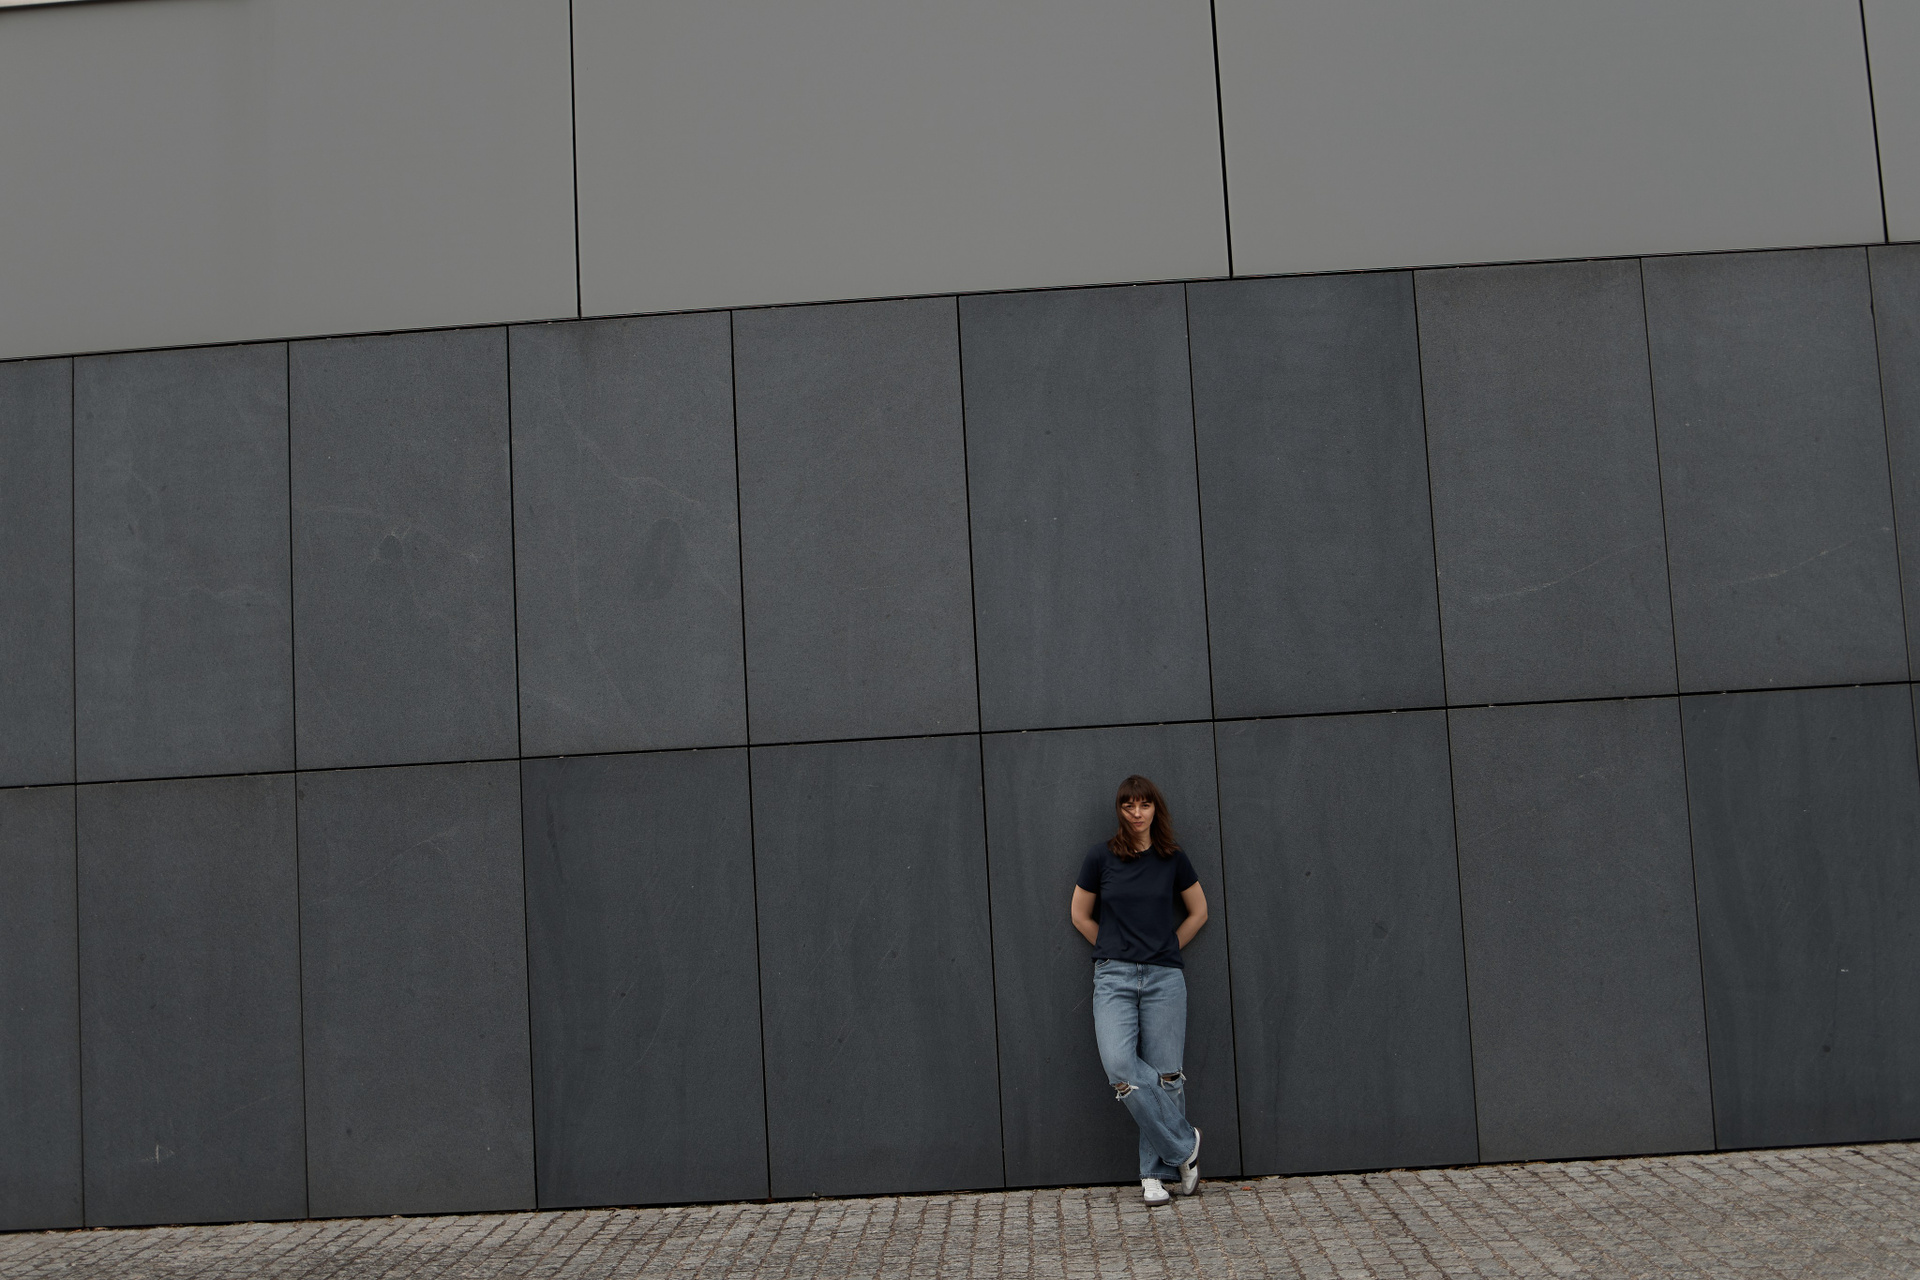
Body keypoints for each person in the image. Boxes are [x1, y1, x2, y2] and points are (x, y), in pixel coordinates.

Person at [1070, 774, 1208, 1207]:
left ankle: (1153, 1176)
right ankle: (1184, 1146)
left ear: (1154, 809)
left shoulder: (1173, 858)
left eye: (1144, 804)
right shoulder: (1100, 857)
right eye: (1128, 805)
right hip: (1114, 977)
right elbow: (1079, 914)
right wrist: (1115, 948)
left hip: (1164, 977)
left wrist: (1166, 948)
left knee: (1167, 1075)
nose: (1136, 813)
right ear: (1120, 810)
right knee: (1120, 1066)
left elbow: (1199, 911)